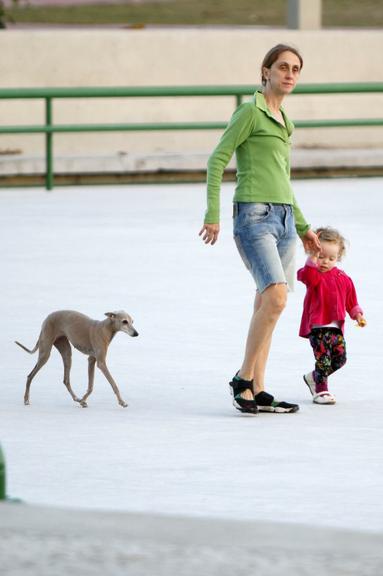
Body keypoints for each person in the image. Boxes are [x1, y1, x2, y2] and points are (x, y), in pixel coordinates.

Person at [199, 44, 320, 415]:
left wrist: (302, 226)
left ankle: (258, 389)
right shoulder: (249, 112)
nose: (290, 74)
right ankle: (243, 379)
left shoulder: (285, 120)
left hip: (284, 219)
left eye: (296, 69)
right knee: (278, 298)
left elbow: (284, 178)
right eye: (282, 67)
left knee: (268, 303)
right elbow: (217, 160)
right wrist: (212, 213)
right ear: (265, 72)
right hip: (254, 216)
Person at [297, 226, 366, 404]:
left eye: (331, 258)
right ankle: (321, 390)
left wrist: (357, 314)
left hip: (336, 329)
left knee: (340, 359)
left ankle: (313, 377)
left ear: (338, 257)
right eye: (321, 257)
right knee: (323, 360)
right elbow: (308, 276)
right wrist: (312, 257)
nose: (325, 262)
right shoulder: (314, 275)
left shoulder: (344, 278)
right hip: (318, 327)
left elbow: (351, 301)